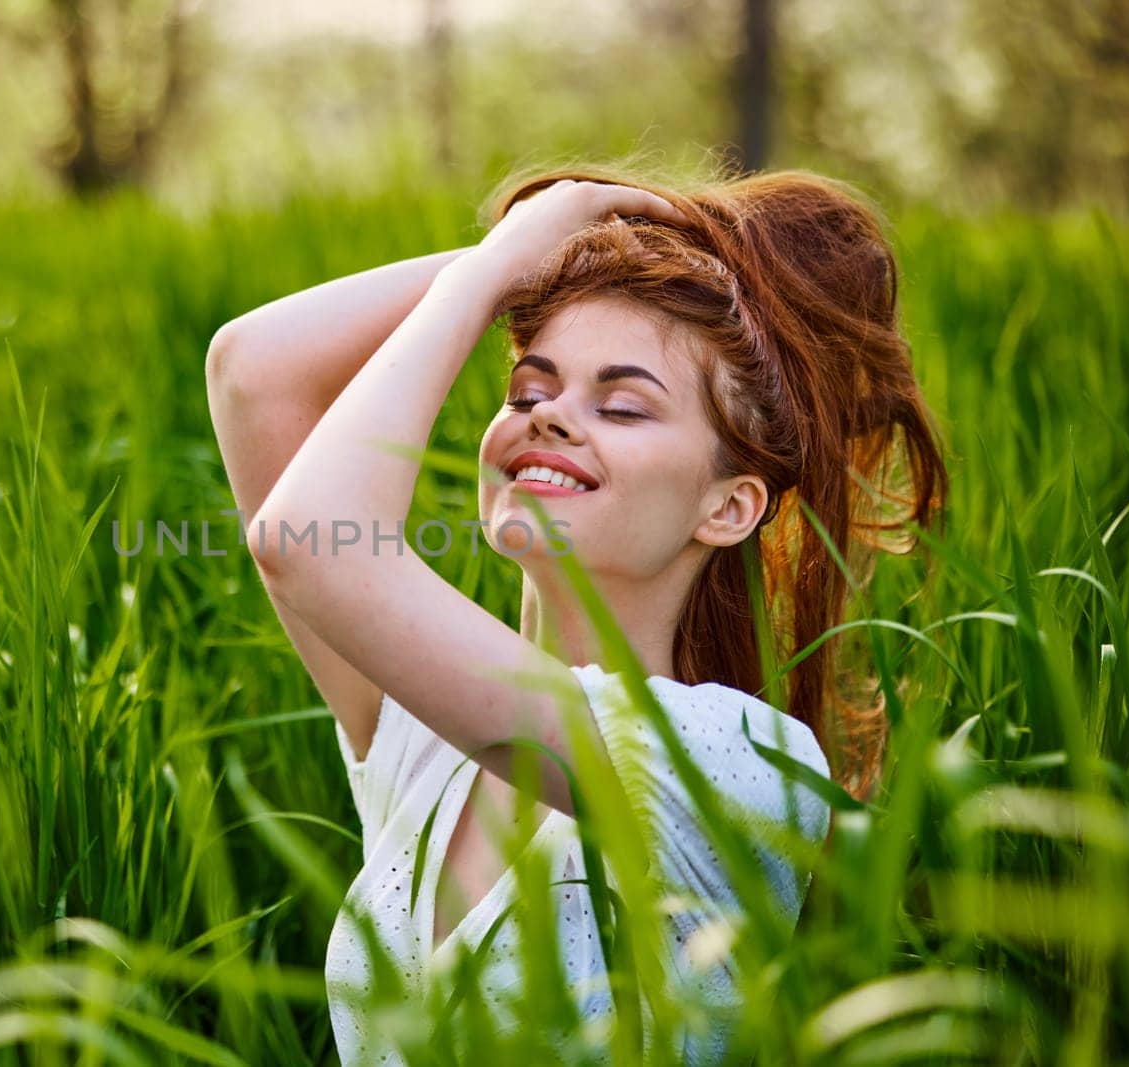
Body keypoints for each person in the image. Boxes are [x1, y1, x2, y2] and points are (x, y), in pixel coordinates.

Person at [204, 167, 949, 1063]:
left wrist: (495, 273)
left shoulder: (734, 760)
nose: (550, 417)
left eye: (623, 404)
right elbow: (252, 372)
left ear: (729, 507)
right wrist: (522, 259)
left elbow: (308, 543)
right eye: (527, 391)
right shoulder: (423, 742)